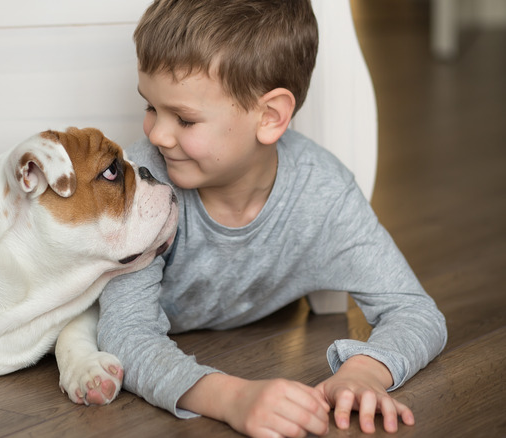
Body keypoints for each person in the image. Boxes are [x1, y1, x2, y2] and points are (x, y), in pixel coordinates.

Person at [95, 0, 448, 436]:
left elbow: (415, 311)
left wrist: (365, 373)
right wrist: (230, 397)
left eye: (184, 119)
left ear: (270, 116)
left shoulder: (323, 194)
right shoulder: (141, 183)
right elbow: (124, 334)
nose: (158, 134)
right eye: (151, 107)